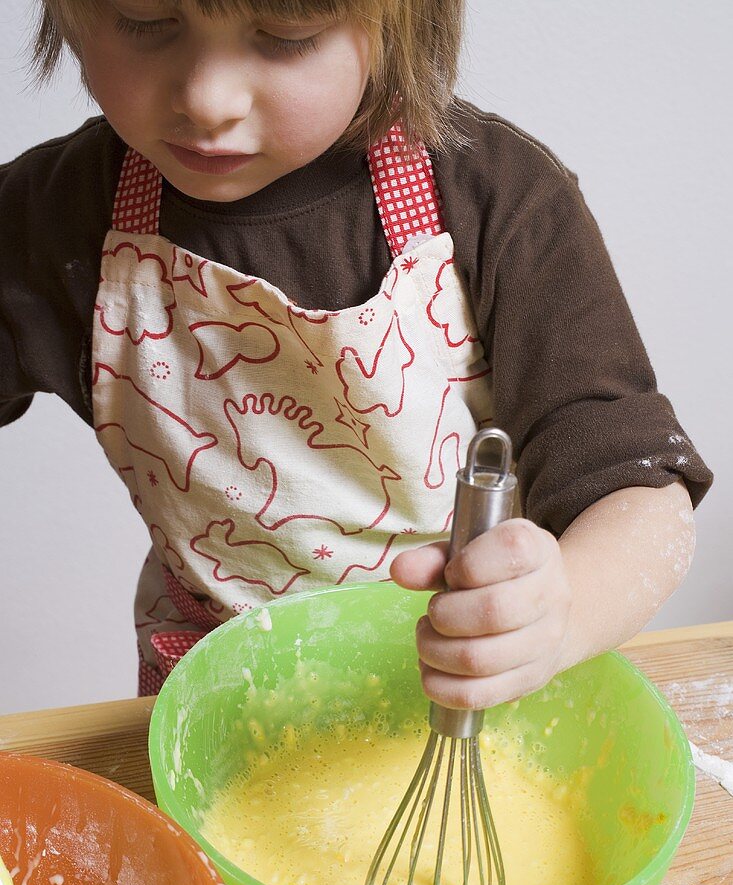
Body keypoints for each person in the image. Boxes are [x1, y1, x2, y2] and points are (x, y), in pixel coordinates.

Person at [0, 0, 712, 704]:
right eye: (145, 22)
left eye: (285, 35)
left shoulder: (493, 196)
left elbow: (638, 494)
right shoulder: (52, 214)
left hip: (463, 693)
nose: (207, 100)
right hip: (214, 689)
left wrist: (559, 618)